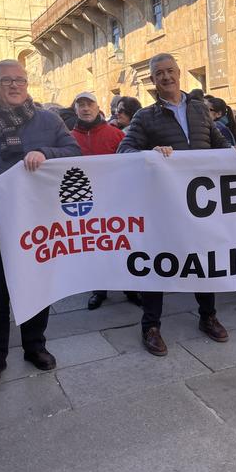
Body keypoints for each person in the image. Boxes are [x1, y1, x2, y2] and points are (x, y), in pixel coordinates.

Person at [0, 59, 81, 388]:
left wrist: (45, 152)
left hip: (37, 220)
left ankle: (35, 345)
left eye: (19, 80)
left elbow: (74, 151)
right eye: (6, 80)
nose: (14, 85)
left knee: (36, 286)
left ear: (27, 84)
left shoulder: (48, 121)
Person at [118, 52, 236, 356]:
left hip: (201, 203)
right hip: (163, 204)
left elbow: (218, 144)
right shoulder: (144, 117)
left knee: (204, 260)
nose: (166, 77)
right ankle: (150, 326)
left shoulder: (200, 110)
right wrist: (151, 152)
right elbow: (124, 150)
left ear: (179, 73)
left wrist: (235, 151)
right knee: (158, 262)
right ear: (152, 80)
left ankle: (208, 316)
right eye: (159, 73)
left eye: (170, 71)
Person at [69, 91, 142, 310]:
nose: (85, 108)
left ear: (97, 106)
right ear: (75, 110)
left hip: (116, 201)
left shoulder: (115, 134)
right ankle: (99, 289)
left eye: (89, 103)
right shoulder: (68, 138)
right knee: (94, 246)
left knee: (122, 244)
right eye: (80, 104)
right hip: (86, 203)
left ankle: (130, 286)